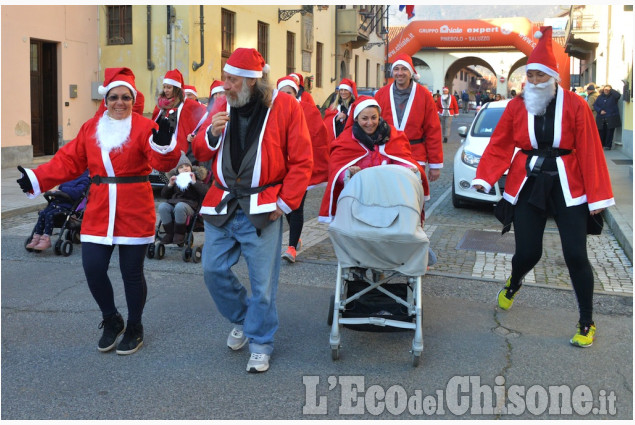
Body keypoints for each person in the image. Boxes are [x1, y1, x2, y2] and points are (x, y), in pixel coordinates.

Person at [16, 67, 182, 355]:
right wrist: (36, 177)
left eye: (126, 97)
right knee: (93, 269)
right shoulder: (90, 129)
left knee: (132, 272)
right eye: (114, 97)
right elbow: (67, 162)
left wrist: (165, 143)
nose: (120, 102)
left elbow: (162, 163)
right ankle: (111, 318)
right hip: (100, 206)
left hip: (134, 206)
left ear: (133, 100)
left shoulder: (144, 127)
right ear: (105, 100)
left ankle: (134, 325)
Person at [471, 27, 615, 348]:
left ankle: (586, 322)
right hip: (528, 182)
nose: (534, 81)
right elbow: (501, 144)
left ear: (553, 78)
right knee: (528, 252)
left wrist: (598, 195)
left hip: (568, 184)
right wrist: (486, 175)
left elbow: (590, 150)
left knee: (576, 254)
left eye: (540, 75)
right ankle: (514, 282)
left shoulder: (576, 106)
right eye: (530, 76)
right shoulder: (516, 106)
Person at [191, 48, 313, 373]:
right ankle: (244, 318)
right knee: (212, 270)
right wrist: (210, 133)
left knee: (263, 283)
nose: (224, 84)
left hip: (263, 206)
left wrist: (285, 203)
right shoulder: (222, 103)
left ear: (249, 81)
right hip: (223, 204)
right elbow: (198, 148)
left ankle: (260, 342)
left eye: (231, 79)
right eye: (226, 78)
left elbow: (302, 160)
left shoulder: (285, 106)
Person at [319, 95, 427, 223]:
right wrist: (348, 173)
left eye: (374, 117)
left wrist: (408, 169)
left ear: (379, 116)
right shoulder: (345, 140)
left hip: (389, 199)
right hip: (358, 200)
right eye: (364, 118)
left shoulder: (392, 135)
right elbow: (337, 168)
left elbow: (401, 159)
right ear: (356, 119)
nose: (370, 123)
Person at [276, 76, 329, 263]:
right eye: (282, 93)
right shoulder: (273, 110)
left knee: (296, 205)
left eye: (289, 93)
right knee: (287, 205)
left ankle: (291, 247)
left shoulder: (307, 110)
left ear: (296, 93)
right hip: (281, 168)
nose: (286, 97)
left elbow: (318, 137)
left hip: (300, 168)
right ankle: (295, 236)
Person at [374, 54, 443, 184]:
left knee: (412, 198)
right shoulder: (381, 94)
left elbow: (433, 130)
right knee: (387, 197)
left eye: (404, 69)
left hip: (415, 154)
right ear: (392, 71)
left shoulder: (424, 95)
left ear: (411, 72)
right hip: (387, 153)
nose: (400, 73)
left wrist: (435, 164)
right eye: (396, 69)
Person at [26, 170, 90, 251]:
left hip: (67, 205)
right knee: (43, 213)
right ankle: (37, 236)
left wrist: (62, 190)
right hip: (56, 202)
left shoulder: (84, 179)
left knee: (50, 214)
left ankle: (46, 238)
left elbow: (77, 192)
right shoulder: (68, 176)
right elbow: (59, 186)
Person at [152, 69, 206, 159]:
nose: (165, 90)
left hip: (179, 152)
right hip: (160, 150)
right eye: (164, 87)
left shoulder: (187, 105)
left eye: (169, 87)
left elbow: (205, 115)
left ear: (176, 89)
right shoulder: (160, 106)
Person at [158, 153, 209, 245]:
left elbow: (205, 192)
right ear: (177, 171)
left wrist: (194, 182)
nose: (185, 168)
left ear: (191, 168)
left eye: (187, 166)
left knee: (180, 206)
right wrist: (170, 185)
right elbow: (164, 195)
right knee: (162, 207)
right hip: (174, 204)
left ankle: (179, 233)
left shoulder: (195, 179)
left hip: (190, 206)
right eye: (181, 167)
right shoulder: (176, 180)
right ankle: (169, 233)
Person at [324, 78, 357, 144]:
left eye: (345, 90)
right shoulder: (334, 106)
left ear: (350, 92)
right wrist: (336, 118)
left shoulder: (354, 105)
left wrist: (346, 117)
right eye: (341, 90)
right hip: (337, 139)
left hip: (350, 140)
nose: (343, 92)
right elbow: (326, 122)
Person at [593, 84, 621, 150]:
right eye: (605, 89)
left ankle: (608, 146)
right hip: (601, 117)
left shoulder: (613, 97)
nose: (606, 91)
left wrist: (610, 89)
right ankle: (601, 145)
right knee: (601, 132)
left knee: (609, 132)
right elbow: (595, 105)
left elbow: (618, 95)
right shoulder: (600, 97)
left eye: (608, 90)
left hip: (611, 117)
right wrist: (600, 111)